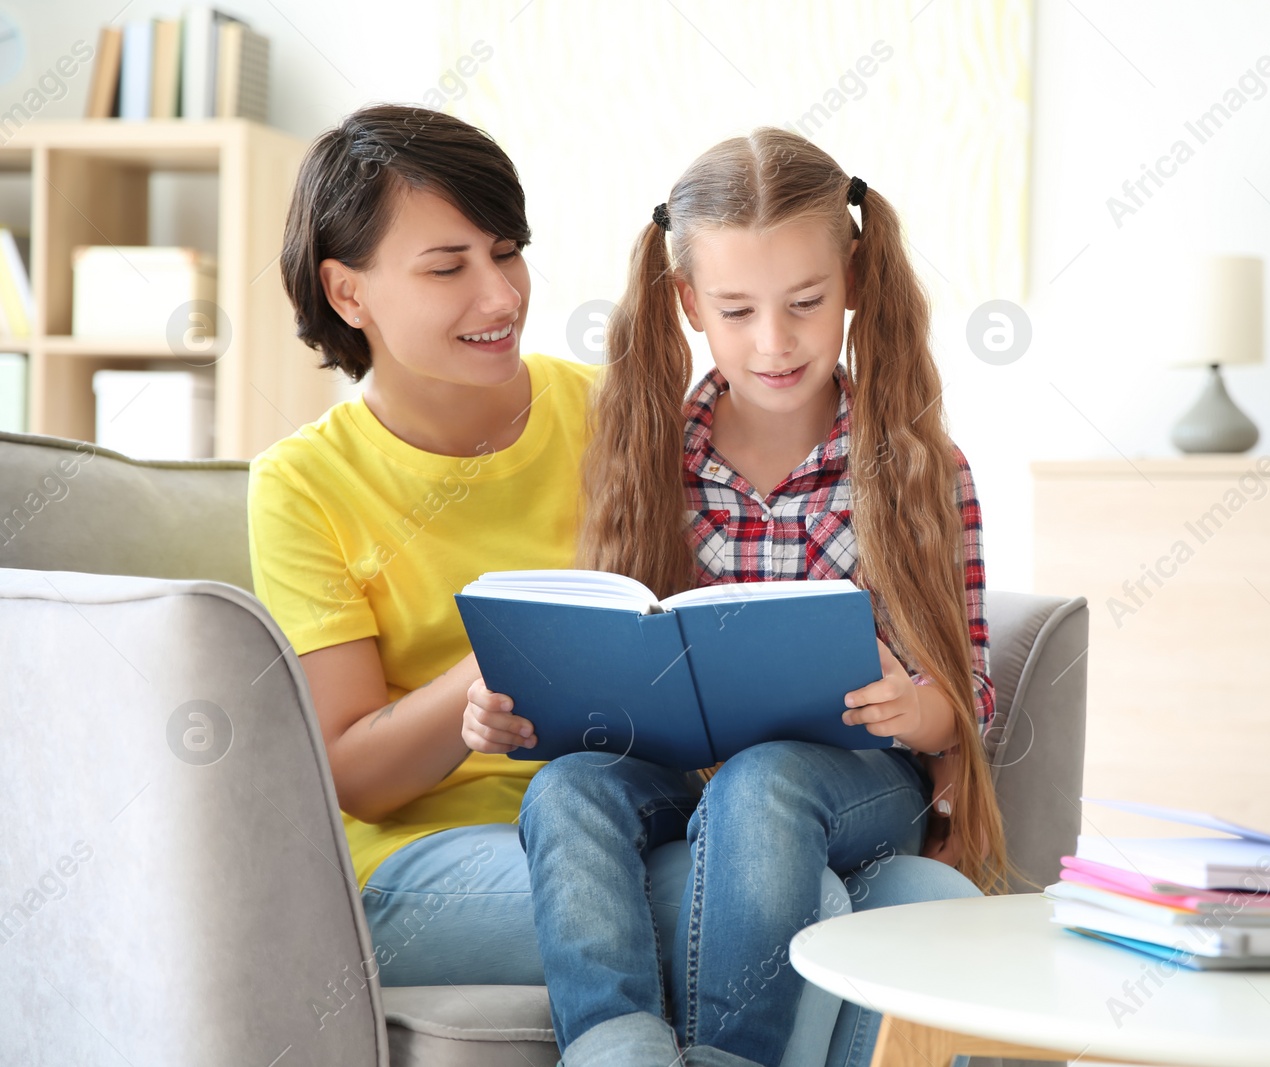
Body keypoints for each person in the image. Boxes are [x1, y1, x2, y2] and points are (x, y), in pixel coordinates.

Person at [253, 106, 969, 1065]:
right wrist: (510, 662)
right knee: (809, 908)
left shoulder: (620, 415)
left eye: (507, 253)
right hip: (446, 849)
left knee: (930, 910)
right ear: (347, 291)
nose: (500, 294)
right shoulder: (303, 482)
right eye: (447, 266)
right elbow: (355, 774)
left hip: (662, 802)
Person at [466, 128, 1005, 1067]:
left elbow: (969, 698)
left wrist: (918, 707)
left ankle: (731, 1057)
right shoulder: (650, 454)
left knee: (766, 781)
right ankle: (614, 1046)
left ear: (854, 283)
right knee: (566, 790)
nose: (774, 340)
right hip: (681, 772)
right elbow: (607, 649)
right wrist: (513, 705)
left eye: (806, 302)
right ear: (687, 303)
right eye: (737, 308)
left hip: (850, 782)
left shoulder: (920, 466)